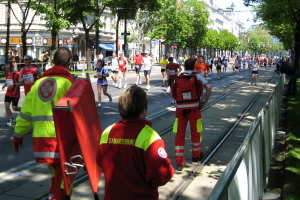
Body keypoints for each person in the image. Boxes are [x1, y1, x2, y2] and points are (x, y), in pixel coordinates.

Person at [12, 47, 74, 200]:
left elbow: (25, 113)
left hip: (42, 142)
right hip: (62, 141)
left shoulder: (38, 84)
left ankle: (55, 195)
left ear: (53, 61)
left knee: (56, 175)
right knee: (64, 177)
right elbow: (78, 114)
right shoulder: (68, 83)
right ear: (70, 62)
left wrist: (17, 135)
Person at [97, 85, 174, 200]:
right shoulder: (149, 137)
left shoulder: (107, 132)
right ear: (144, 110)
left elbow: (99, 162)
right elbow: (162, 174)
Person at [171, 58, 212, 170]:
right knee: (196, 131)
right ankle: (196, 155)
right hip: (194, 108)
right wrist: (204, 101)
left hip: (180, 109)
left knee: (180, 133)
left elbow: (172, 92)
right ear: (194, 66)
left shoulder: (178, 76)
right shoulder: (197, 75)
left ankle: (179, 159)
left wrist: (178, 101)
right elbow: (209, 88)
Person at [2, 62, 21, 126]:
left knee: (14, 108)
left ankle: (25, 110)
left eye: (8, 67)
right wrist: (4, 85)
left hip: (15, 93)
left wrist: (15, 87)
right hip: (8, 93)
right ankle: (12, 120)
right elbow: (7, 81)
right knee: (6, 106)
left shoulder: (17, 74)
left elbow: (20, 83)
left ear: (11, 67)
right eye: (6, 67)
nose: (6, 69)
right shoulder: (7, 74)